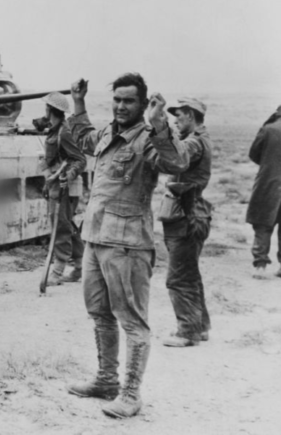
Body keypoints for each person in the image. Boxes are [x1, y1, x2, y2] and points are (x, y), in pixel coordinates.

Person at [65, 74, 189, 419]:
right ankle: (106, 380)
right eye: (117, 100)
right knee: (100, 315)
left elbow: (177, 163)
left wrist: (160, 124)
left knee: (132, 321)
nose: (121, 106)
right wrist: (78, 102)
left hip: (127, 244)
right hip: (95, 237)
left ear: (142, 103)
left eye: (129, 101)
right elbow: (84, 138)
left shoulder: (149, 139)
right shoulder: (109, 133)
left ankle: (131, 393)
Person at [160, 98, 213, 347]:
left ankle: (188, 331)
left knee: (179, 278)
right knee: (190, 273)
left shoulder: (193, 142)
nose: (176, 119)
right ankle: (199, 326)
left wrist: (160, 131)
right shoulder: (201, 139)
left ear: (191, 115)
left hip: (186, 215)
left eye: (179, 115)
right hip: (193, 212)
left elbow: (177, 156)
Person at [41, 92, 87, 286]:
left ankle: (58, 270)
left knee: (61, 226)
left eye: (46, 107)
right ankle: (80, 266)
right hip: (56, 184)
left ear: (51, 109)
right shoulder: (54, 130)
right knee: (69, 226)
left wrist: (67, 177)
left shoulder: (64, 132)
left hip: (66, 187)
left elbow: (79, 160)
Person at [246, 104, 281, 275]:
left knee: (262, 225)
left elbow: (253, 154)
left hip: (268, 183)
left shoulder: (268, 129)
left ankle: (260, 266)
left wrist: (269, 164)